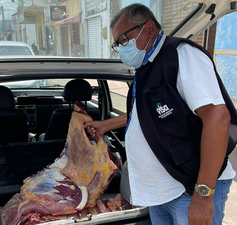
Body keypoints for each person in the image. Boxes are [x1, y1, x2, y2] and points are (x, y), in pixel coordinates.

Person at [84, 3, 237, 225]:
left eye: (124, 39)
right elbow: (148, 113)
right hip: (160, 193)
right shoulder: (147, 67)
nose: (122, 47)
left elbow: (218, 119)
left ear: (149, 28)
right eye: (118, 44)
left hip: (189, 190)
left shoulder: (180, 55)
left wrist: (203, 195)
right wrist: (106, 125)